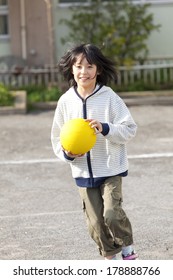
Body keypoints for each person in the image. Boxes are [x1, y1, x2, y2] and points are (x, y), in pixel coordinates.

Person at [51, 43, 138, 260]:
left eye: (90, 66)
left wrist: (105, 128)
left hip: (110, 168)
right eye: (79, 66)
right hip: (82, 172)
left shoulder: (109, 97)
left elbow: (130, 129)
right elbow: (56, 137)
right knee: (95, 222)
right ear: (71, 69)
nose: (84, 72)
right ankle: (110, 256)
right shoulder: (65, 101)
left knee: (111, 214)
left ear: (98, 70)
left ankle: (127, 246)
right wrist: (68, 154)